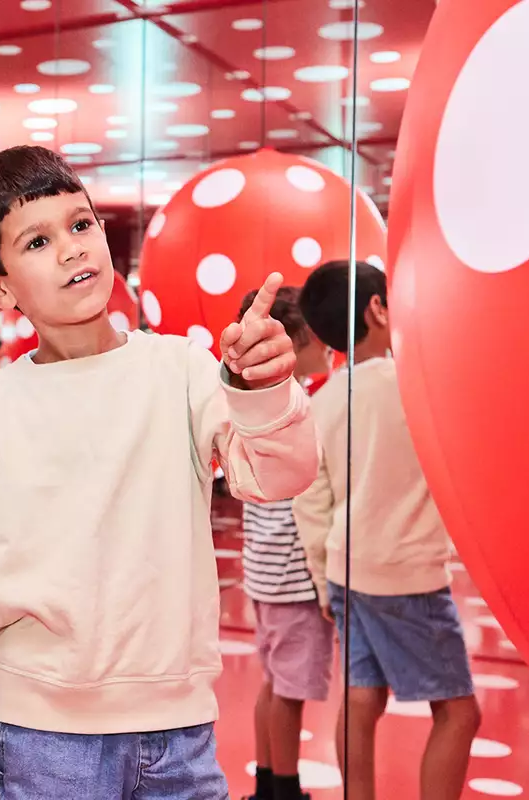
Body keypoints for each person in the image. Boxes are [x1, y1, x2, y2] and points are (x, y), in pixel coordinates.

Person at [0, 145, 319, 800]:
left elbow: (275, 477)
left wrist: (260, 388)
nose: (72, 250)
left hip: (180, 731)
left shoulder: (183, 369)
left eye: (81, 225)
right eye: (37, 241)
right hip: (39, 737)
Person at [294, 260, 481, 800]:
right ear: (377, 308)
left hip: (347, 572)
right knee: (458, 713)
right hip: (409, 578)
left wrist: (323, 576)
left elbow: (311, 501)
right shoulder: (418, 386)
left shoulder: (322, 401)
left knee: (360, 701)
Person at [234, 286, 334, 800]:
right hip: (294, 574)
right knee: (290, 689)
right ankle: (286, 789)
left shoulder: (255, 407)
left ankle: (269, 782)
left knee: (275, 681)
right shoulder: (305, 409)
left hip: (264, 568)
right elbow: (314, 501)